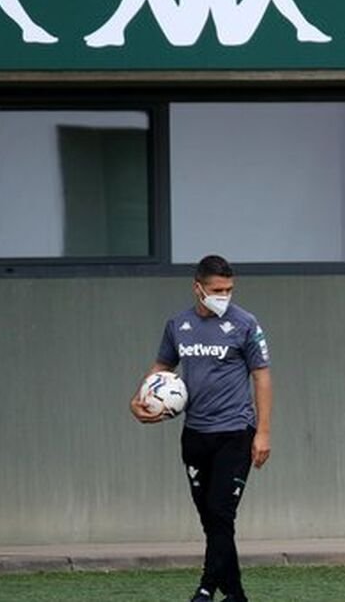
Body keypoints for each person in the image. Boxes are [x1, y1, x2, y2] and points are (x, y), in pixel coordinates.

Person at [131, 255, 272, 602]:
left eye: (229, 289)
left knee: (222, 512)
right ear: (198, 288)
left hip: (235, 434)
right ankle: (236, 594)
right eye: (217, 289)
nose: (224, 295)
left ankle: (206, 589)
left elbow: (262, 377)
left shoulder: (245, 324)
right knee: (211, 517)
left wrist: (263, 432)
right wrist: (138, 398)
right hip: (194, 435)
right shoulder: (178, 325)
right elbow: (162, 366)